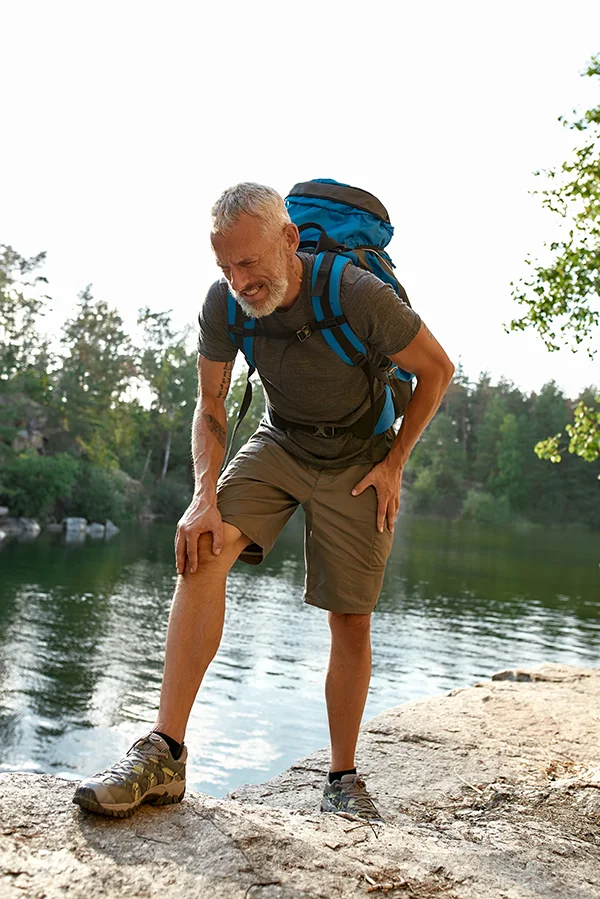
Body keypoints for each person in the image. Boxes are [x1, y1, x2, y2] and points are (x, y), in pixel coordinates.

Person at [73, 182, 454, 822]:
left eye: (248, 263)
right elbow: (212, 405)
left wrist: (394, 464)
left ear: (289, 239)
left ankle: (342, 777)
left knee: (350, 617)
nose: (239, 280)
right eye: (224, 265)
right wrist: (202, 498)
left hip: (361, 455)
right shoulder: (223, 305)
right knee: (204, 545)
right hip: (281, 441)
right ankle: (163, 756)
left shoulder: (357, 294)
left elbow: (437, 369)